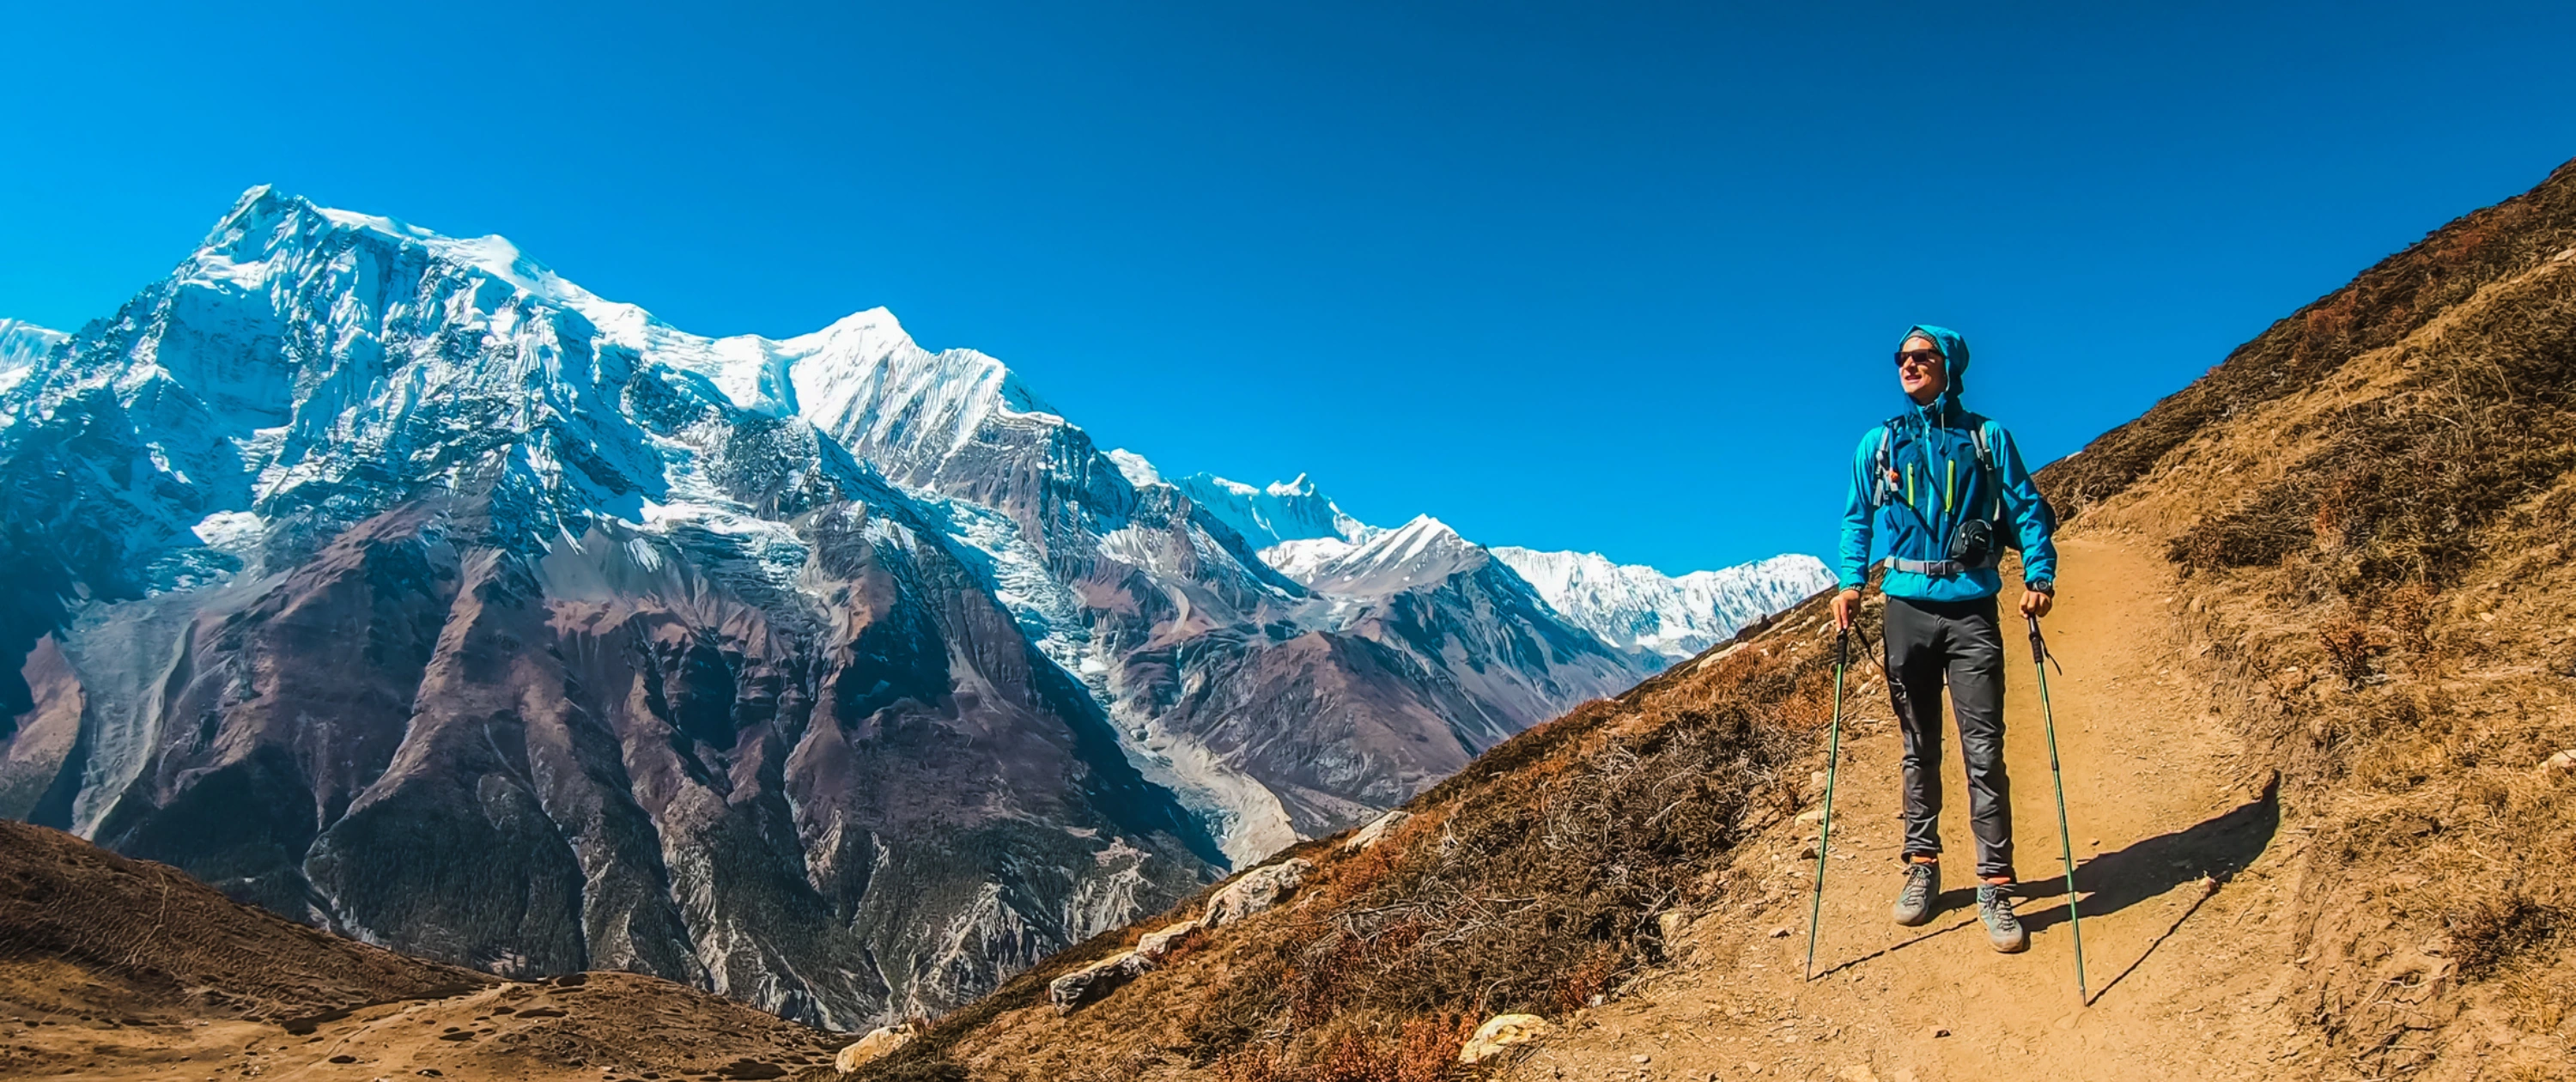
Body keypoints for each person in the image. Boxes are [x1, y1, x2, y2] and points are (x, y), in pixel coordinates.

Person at [1832, 325, 2058, 954]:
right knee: (1917, 745)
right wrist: (1852, 584)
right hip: (1905, 607)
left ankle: (1994, 883)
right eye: (1901, 358)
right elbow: (1858, 517)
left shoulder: (1988, 437)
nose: (1908, 365)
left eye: (1922, 356)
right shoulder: (1879, 444)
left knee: (1983, 749)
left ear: (1949, 365)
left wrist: (2040, 573)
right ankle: (1922, 867)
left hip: (1972, 609)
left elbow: (2028, 508)